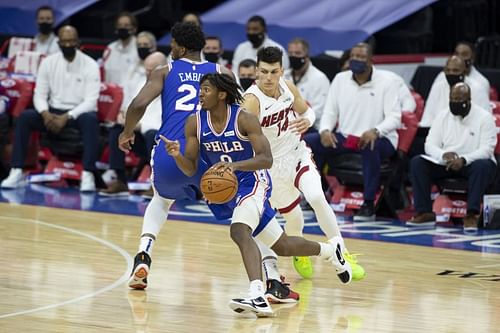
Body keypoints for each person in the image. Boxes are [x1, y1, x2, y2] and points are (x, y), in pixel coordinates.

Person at [162, 73, 350, 316]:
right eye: (200, 89)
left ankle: (257, 294)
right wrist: (177, 155)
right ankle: (329, 252)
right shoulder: (194, 123)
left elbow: (266, 159)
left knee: (239, 231)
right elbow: (190, 167)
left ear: (221, 94)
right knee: (282, 245)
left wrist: (235, 166)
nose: (200, 93)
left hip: (253, 181)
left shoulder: (245, 119)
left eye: (206, 89)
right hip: (229, 189)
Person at [119, 22, 232, 289]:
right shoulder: (221, 73)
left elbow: (138, 104)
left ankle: (144, 254)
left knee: (161, 201)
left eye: (171, 45)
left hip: (171, 150)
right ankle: (269, 270)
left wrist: (127, 132)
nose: (170, 50)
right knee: (245, 212)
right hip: (208, 155)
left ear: (180, 47)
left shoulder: (165, 71)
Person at [242, 47, 364, 294]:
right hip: (271, 167)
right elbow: (241, 139)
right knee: (293, 218)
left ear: (281, 71)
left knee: (318, 197)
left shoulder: (287, 86)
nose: (268, 77)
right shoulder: (251, 101)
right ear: (257, 71)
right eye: (263, 72)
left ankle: (343, 252)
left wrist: (307, 120)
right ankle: (301, 252)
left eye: (273, 71)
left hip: (297, 154)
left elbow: (307, 110)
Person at [304, 43, 401, 221]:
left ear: (371, 60)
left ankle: (369, 204)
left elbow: (395, 117)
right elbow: (330, 111)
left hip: (380, 138)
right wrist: (325, 130)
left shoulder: (387, 83)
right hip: (347, 137)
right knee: (309, 141)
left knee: (370, 145)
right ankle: (317, 195)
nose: (356, 60)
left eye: (361, 57)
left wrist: (376, 131)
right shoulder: (340, 79)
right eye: (353, 56)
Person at [1, 26, 100, 191]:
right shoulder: (48, 62)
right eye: (64, 41)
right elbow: (39, 95)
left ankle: (88, 174)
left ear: (78, 42)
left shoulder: (90, 65)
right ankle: (16, 170)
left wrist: (67, 116)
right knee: (26, 117)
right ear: (59, 42)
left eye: (71, 41)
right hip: (52, 113)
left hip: (77, 115)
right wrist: (45, 114)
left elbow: (91, 101)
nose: (68, 44)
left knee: (91, 120)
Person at [408, 83, 497, 231]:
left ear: (469, 99)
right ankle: (425, 212)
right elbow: (429, 144)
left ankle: (471, 214)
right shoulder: (443, 115)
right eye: (452, 98)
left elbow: (487, 149)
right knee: (418, 162)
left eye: (459, 99)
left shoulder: (484, 117)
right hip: (447, 163)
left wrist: (463, 160)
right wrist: (443, 155)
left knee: (483, 165)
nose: (455, 102)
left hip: (472, 163)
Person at [100, 52, 166, 196]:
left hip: (163, 139)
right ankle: (120, 180)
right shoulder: (141, 83)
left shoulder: (171, 88)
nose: (148, 73)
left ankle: (157, 185)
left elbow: (162, 122)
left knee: (152, 135)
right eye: (146, 69)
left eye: (152, 69)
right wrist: (124, 117)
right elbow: (130, 107)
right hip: (140, 135)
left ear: (163, 68)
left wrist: (138, 125)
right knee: (117, 129)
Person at [414, 55, 491, 156]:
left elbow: (484, 120)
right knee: (417, 146)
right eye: (448, 70)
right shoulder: (438, 87)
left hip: (469, 139)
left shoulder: (478, 90)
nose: (451, 74)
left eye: (455, 70)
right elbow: (428, 118)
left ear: (464, 72)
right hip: (440, 135)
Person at [284, 38, 330, 132]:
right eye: (291, 53)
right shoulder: (284, 76)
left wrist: (299, 120)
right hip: (286, 124)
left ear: (307, 55)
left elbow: (318, 111)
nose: (293, 56)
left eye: (297, 53)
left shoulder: (319, 78)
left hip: (310, 126)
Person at [103, 12, 139, 86]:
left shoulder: (139, 48)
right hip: (112, 93)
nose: (122, 28)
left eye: (126, 25)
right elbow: (105, 73)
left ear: (134, 29)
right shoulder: (110, 48)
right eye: (119, 25)